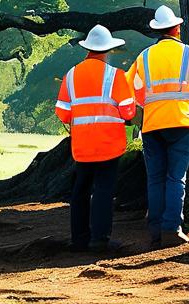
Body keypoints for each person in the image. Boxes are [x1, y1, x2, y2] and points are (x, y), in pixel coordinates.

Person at [126, 4, 189, 248]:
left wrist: (147, 103)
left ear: (157, 31)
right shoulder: (188, 53)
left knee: (155, 178)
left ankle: (154, 230)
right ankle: (172, 228)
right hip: (181, 122)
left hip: (152, 124)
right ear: (176, 28)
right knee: (176, 177)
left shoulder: (144, 57)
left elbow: (130, 89)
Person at [55, 24, 136, 252]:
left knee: (80, 190)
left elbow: (62, 112)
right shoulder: (115, 75)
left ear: (88, 49)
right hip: (109, 143)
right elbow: (128, 111)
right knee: (103, 190)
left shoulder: (71, 75)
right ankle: (100, 239)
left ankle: (79, 239)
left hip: (82, 145)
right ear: (107, 50)